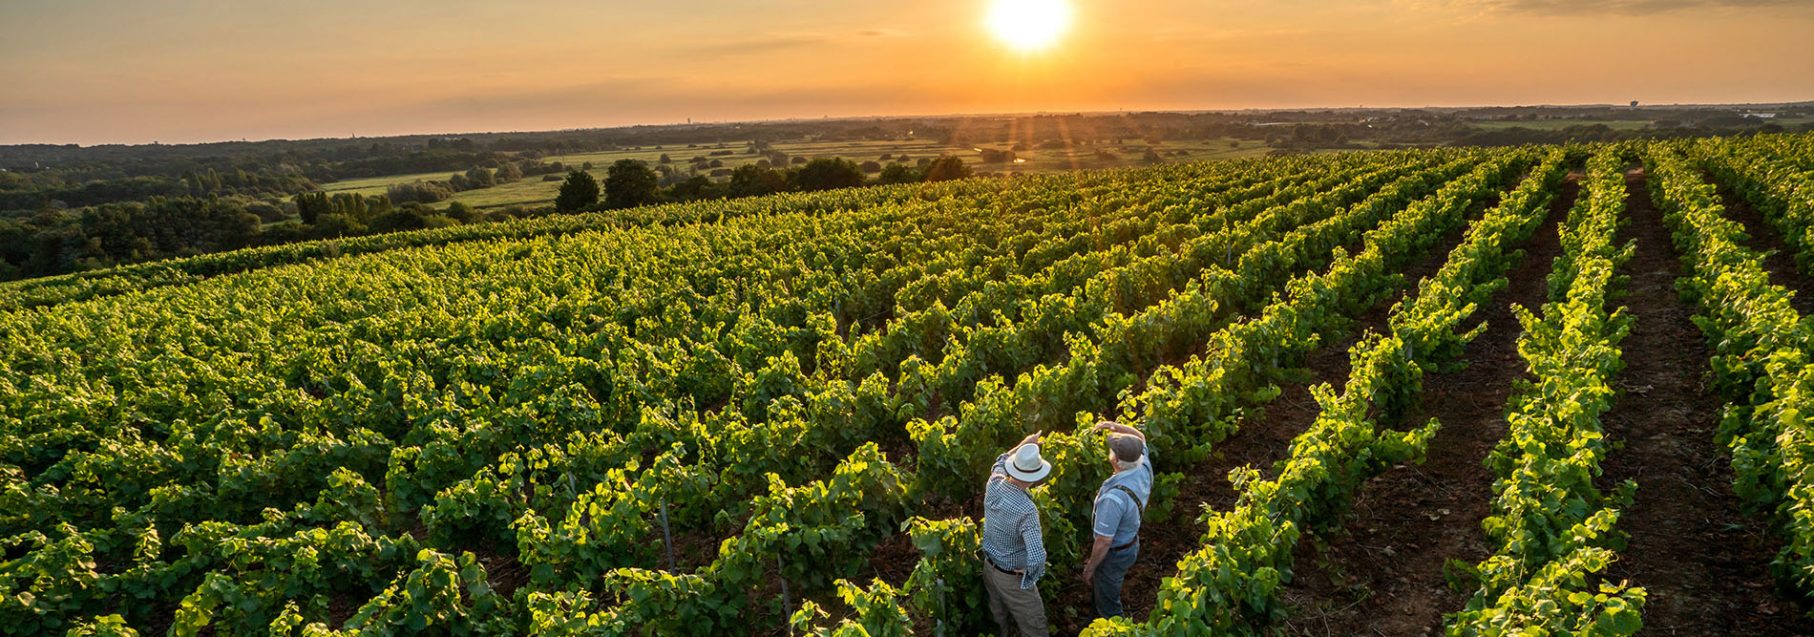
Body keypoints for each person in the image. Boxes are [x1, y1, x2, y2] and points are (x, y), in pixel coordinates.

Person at [980, 431, 1052, 637]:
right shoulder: (1027, 510)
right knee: (1035, 629)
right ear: (1033, 478)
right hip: (1013, 580)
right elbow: (1037, 556)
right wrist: (1029, 574)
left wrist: (1024, 444)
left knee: (997, 620)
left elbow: (1000, 460)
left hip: (989, 569)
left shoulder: (993, 482)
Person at [1081, 421, 1151, 619]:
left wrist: (1090, 568)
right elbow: (1142, 438)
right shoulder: (1143, 466)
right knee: (1104, 592)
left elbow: (1104, 541)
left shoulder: (1113, 499)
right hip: (1130, 544)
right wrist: (1114, 426)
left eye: (1112, 450)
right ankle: (1095, 617)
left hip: (1114, 555)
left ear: (1116, 460)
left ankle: (1114, 628)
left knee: (1110, 607)